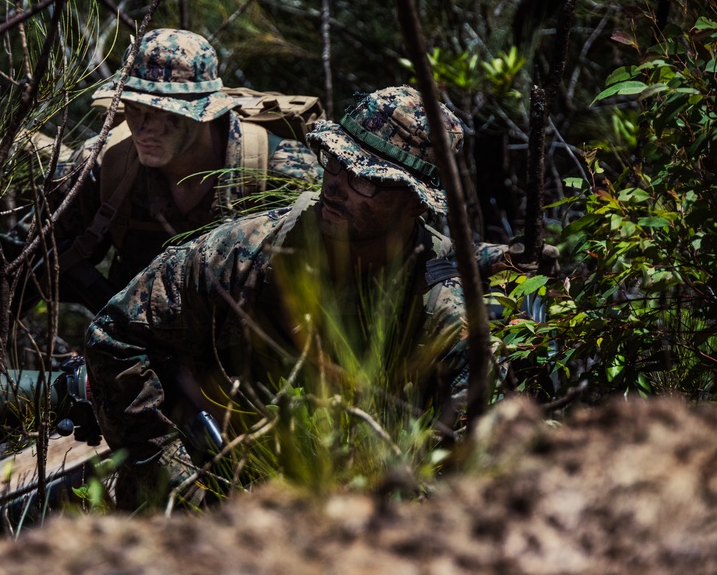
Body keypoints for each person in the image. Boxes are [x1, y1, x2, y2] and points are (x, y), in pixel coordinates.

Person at [83, 85, 476, 509]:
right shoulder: (245, 251)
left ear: (416, 204)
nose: (337, 185)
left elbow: (465, 466)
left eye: (365, 179)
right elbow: (114, 335)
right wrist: (176, 477)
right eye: (335, 161)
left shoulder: (445, 309)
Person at [0, 28, 320, 365]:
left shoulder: (279, 173)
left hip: (256, 361)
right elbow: (16, 259)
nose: (145, 126)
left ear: (205, 111)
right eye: (134, 107)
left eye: (166, 113)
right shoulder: (108, 166)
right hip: (137, 354)